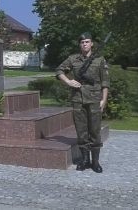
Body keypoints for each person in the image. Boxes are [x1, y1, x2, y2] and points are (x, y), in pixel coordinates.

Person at [55, 32, 110, 173]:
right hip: (78, 100)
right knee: (81, 132)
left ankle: (95, 162)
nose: (84, 44)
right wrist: (68, 81)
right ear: (80, 45)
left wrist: (104, 100)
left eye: (87, 41)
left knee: (95, 132)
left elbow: (105, 82)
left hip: (94, 100)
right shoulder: (73, 59)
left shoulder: (100, 60)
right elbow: (59, 70)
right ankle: (84, 160)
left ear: (92, 44)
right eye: (82, 42)